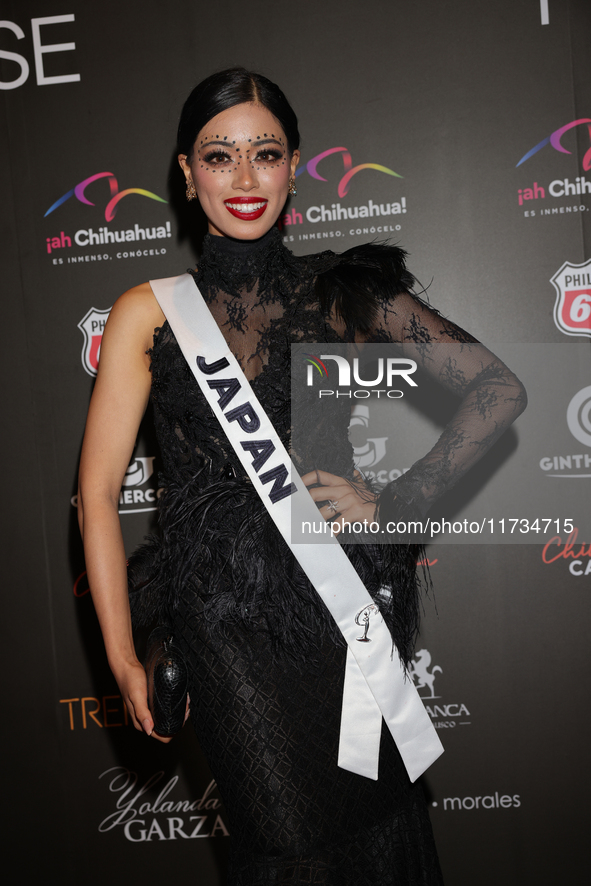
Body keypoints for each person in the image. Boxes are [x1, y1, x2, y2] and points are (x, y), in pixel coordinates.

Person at [78, 68, 526, 884]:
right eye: (220, 156)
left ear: (294, 167)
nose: (244, 179)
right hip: (224, 628)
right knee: (288, 849)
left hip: (343, 611)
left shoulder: (344, 292)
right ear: (186, 173)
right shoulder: (146, 311)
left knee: (384, 826)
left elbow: (497, 389)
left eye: (265, 153)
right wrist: (120, 657)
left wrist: (396, 500)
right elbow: (99, 496)